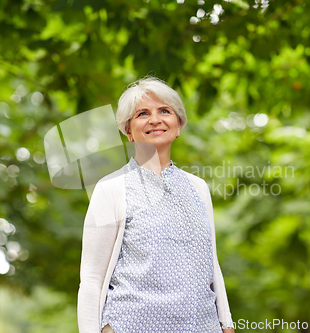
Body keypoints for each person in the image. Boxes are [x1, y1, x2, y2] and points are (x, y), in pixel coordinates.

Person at [77, 76, 235, 333]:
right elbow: (92, 278)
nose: (155, 119)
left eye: (164, 111)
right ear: (128, 130)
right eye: (142, 113)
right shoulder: (111, 189)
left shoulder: (198, 188)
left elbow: (211, 263)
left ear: (179, 124)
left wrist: (226, 324)